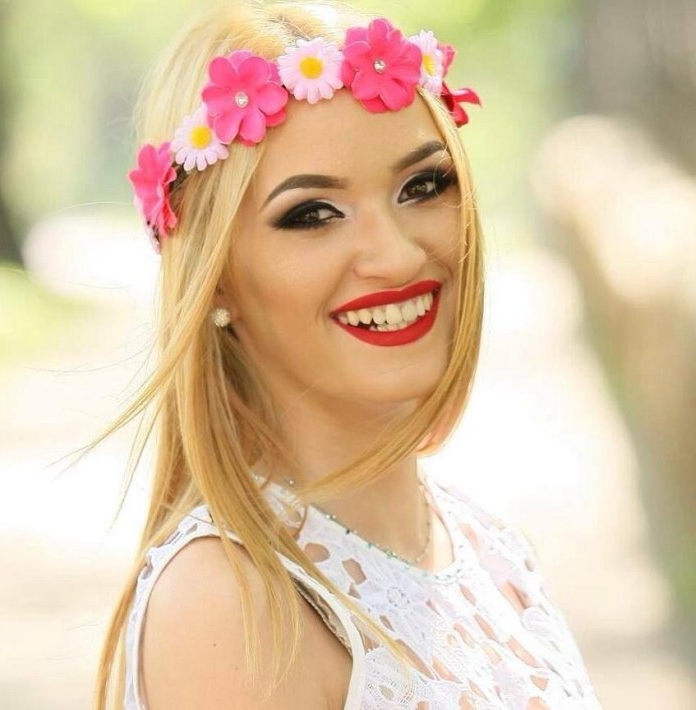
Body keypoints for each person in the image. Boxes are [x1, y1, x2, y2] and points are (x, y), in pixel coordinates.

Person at [93, 1, 603, 707]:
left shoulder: (494, 552)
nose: (397, 256)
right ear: (217, 278)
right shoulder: (234, 609)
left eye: (423, 186)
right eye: (312, 214)